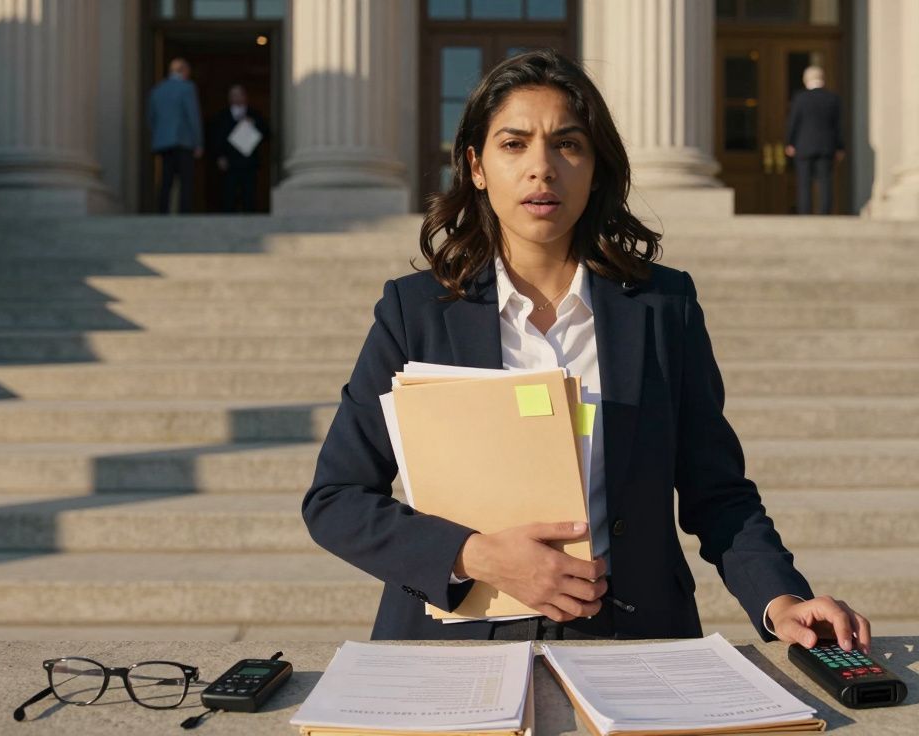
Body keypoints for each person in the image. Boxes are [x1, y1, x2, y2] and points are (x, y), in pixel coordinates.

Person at [303, 50, 871, 648]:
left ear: (596, 166)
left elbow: (717, 490)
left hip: (634, 638)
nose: (541, 169)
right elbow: (336, 499)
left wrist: (782, 599)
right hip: (458, 648)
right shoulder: (414, 312)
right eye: (514, 144)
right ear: (476, 166)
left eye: (568, 145)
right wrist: (473, 555)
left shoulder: (663, 307)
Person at [785, 66, 844, 215]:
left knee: (804, 183)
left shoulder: (800, 98)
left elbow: (793, 122)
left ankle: (805, 214)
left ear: (806, 80)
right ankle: (824, 214)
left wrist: (790, 143)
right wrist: (840, 147)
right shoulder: (833, 98)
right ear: (823, 79)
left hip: (803, 147)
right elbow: (838, 125)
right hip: (826, 147)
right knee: (825, 182)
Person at [147, 58, 203, 214]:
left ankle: (162, 211)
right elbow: (193, 116)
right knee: (186, 180)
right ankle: (184, 212)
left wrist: (158, 136)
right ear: (183, 71)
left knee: (166, 179)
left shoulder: (157, 90)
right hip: (183, 140)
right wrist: (198, 143)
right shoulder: (187, 88)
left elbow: (151, 118)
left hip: (163, 142)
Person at [210, 84, 269, 213]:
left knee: (249, 195)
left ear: (245, 96)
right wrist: (219, 156)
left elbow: (268, 133)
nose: (236, 98)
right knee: (229, 195)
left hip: (249, 162)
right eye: (233, 95)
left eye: (239, 94)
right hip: (230, 162)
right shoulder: (222, 116)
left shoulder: (254, 114)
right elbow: (215, 138)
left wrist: (254, 124)